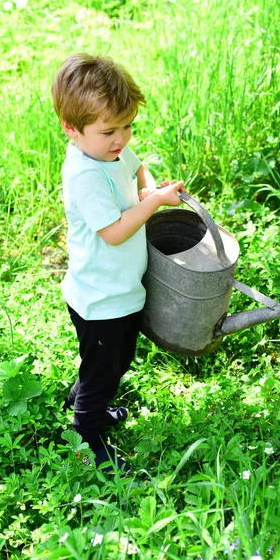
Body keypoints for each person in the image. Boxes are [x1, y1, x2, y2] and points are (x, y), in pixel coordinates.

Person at [51, 53, 184, 475]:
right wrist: (156, 204)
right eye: (110, 130)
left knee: (111, 358)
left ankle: (81, 397)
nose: (122, 138)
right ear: (71, 129)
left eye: (128, 126)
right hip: (101, 298)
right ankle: (87, 435)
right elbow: (114, 232)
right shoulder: (86, 175)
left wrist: (148, 186)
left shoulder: (110, 150)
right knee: (107, 368)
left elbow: (137, 166)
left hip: (117, 290)